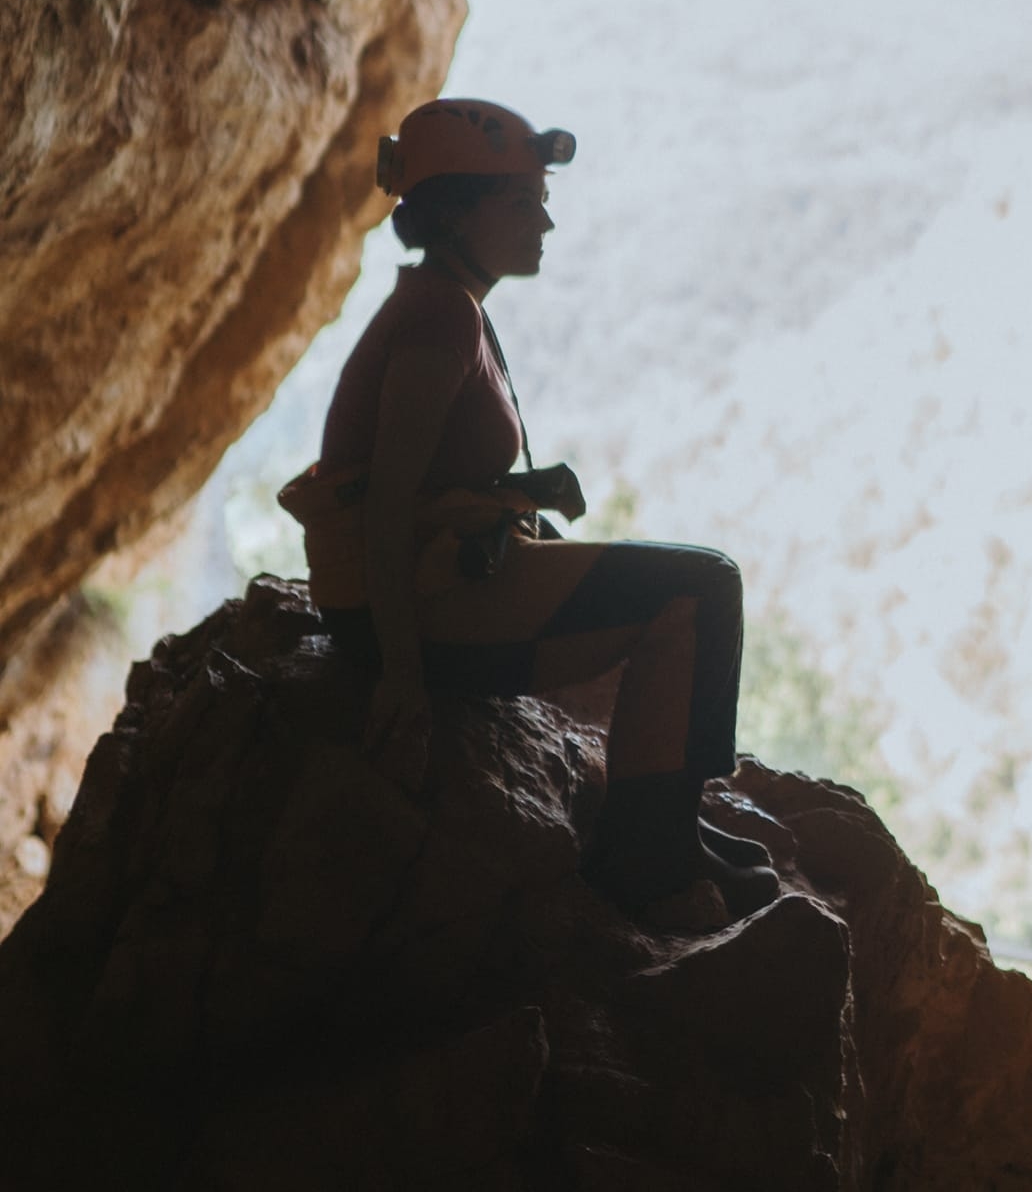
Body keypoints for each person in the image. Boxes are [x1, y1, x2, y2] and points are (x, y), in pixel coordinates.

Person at [281, 97, 779, 920]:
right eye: (523, 201)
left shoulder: (450, 301)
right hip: (404, 608)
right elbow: (390, 501)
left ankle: (663, 816)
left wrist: (526, 490)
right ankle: (646, 858)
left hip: (415, 588)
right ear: (456, 212)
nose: (545, 221)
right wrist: (402, 675)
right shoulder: (440, 317)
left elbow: (422, 477)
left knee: (688, 584)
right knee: (700, 589)